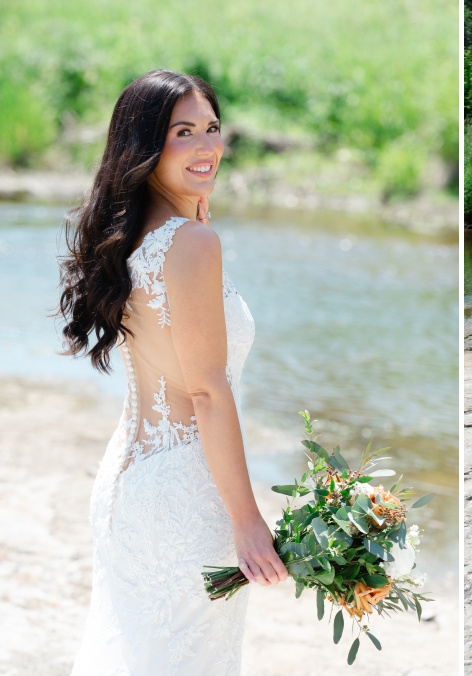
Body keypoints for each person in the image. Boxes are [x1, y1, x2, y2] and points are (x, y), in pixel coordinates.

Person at [58, 70, 287, 674]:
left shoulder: (131, 237)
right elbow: (208, 391)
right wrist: (247, 522)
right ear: (144, 147)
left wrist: (190, 214)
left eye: (212, 129)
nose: (207, 146)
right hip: (186, 496)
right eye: (182, 133)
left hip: (128, 484)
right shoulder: (189, 243)